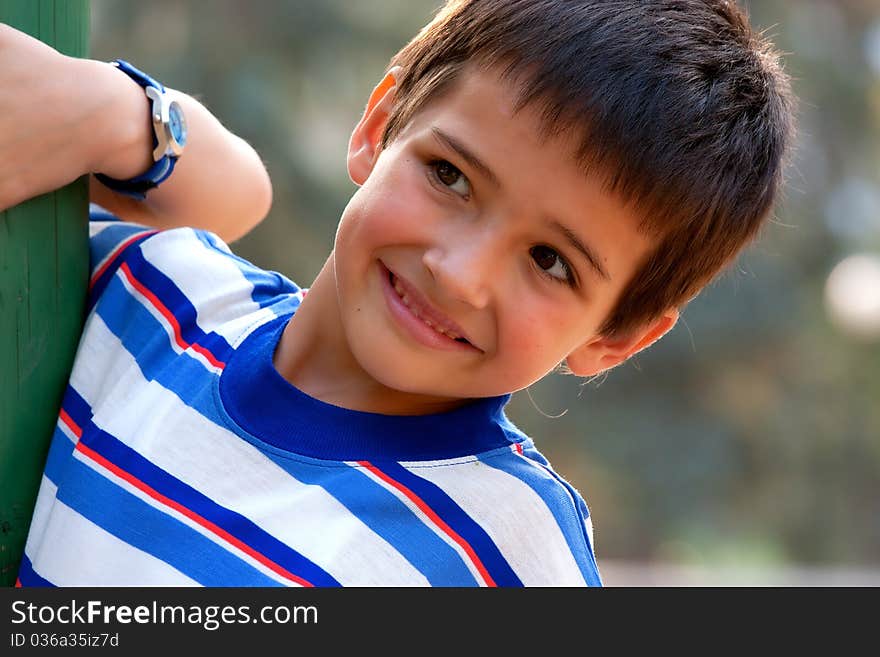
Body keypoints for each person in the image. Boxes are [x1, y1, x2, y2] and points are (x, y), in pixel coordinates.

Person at [2, 0, 795, 586]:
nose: (460, 271)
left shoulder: (508, 555)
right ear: (379, 124)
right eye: (450, 176)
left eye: (552, 262)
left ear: (615, 336)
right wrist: (118, 110)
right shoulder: (152, 297)